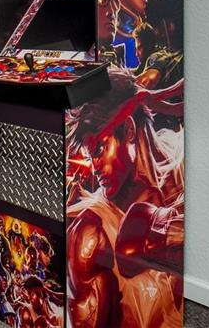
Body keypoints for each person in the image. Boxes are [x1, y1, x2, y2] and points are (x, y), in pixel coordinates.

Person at [66, 68, 185, 328]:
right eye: (90, 155)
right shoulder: (92, 234)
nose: (94, 166)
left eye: (99, 148)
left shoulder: (183, 159)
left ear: (129, 129)